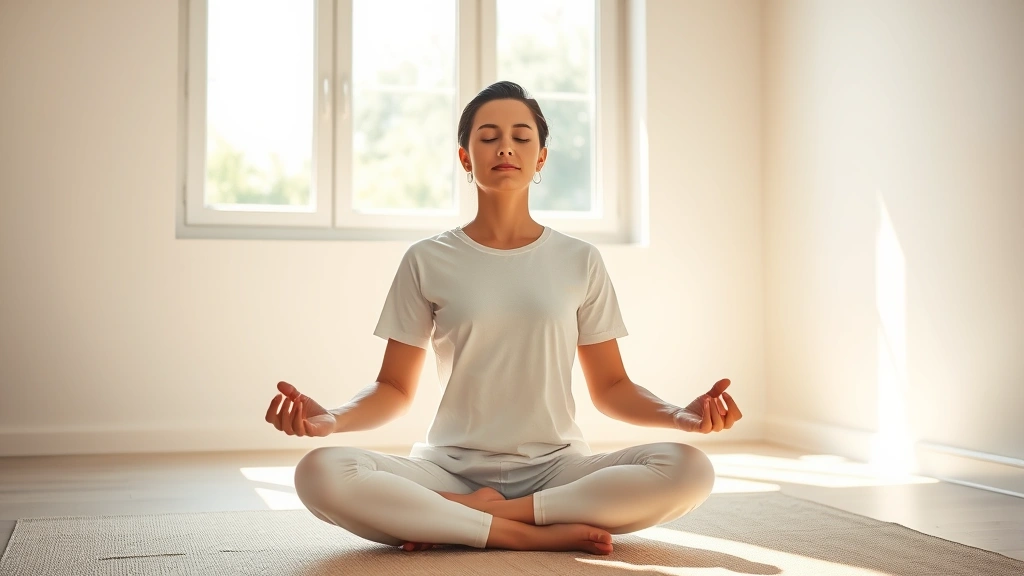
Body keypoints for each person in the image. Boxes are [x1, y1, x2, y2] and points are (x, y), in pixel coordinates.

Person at [264, 81, 742, 556]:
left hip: (557, 469)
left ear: (541, 158)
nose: (505, 147)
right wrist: (330, 420)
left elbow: (613, 387)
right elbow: (393, 389)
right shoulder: (427, 259)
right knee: (319, 472)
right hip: (448, 469)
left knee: (690, 470)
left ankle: (476, 516)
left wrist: (678, 416)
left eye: (521, 136)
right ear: (465, 157)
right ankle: (526, 533)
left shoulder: (580, 260)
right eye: (488, 137)